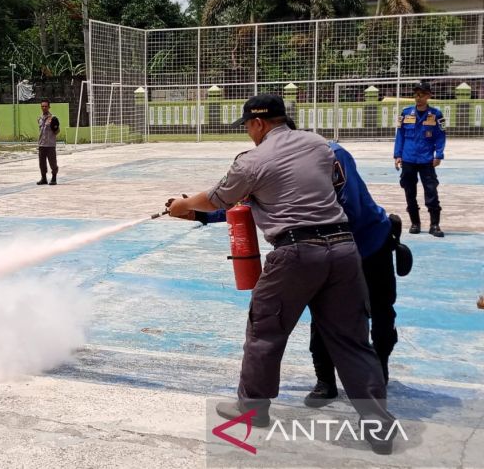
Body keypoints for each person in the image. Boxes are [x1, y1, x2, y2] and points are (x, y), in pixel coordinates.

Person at [167, 94, 394, 455]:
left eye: (246, 127)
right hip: (344, 249)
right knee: (352, 340)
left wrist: (183, 206)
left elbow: (219, 198)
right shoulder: (321, 145)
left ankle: (253, 409)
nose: (247, 134)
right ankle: (378, 424)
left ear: (258, 124)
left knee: (265, 331)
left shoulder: (253, 160)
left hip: (296, 253)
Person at [188, 135, 409, 403]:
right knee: (325, 318)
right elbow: (251, 200)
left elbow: (351, 205)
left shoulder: (330, 153)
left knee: (377, 314)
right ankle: (326, 381)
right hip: (331, 249)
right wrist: (200, 214)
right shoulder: (276, 161)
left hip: (367, 245)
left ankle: (379, 373)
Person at [394, 81, 446, 237]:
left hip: (427, 160)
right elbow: (400, 136)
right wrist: (397, 155)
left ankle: (435, 225)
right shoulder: (405, 113)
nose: (419, 97)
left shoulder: (436, 115)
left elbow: (440, 136)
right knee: (409, 191)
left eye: (422, 94)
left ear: (429, 95)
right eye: (416, 94)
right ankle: (415, 223)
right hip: (408, 159)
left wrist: (439, 154)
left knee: (431, 191)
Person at [36, 99, 60, 185]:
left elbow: (57, 131)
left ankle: (54, 178)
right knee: (42, 163)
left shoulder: (53, 118)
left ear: (49, 107)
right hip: (42, 144)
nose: (44, 107)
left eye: (46, 106)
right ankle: (44, 178)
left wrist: (55, 127)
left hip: (50, 144)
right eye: (42, 106)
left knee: (53, 163)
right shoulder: (39, 118)